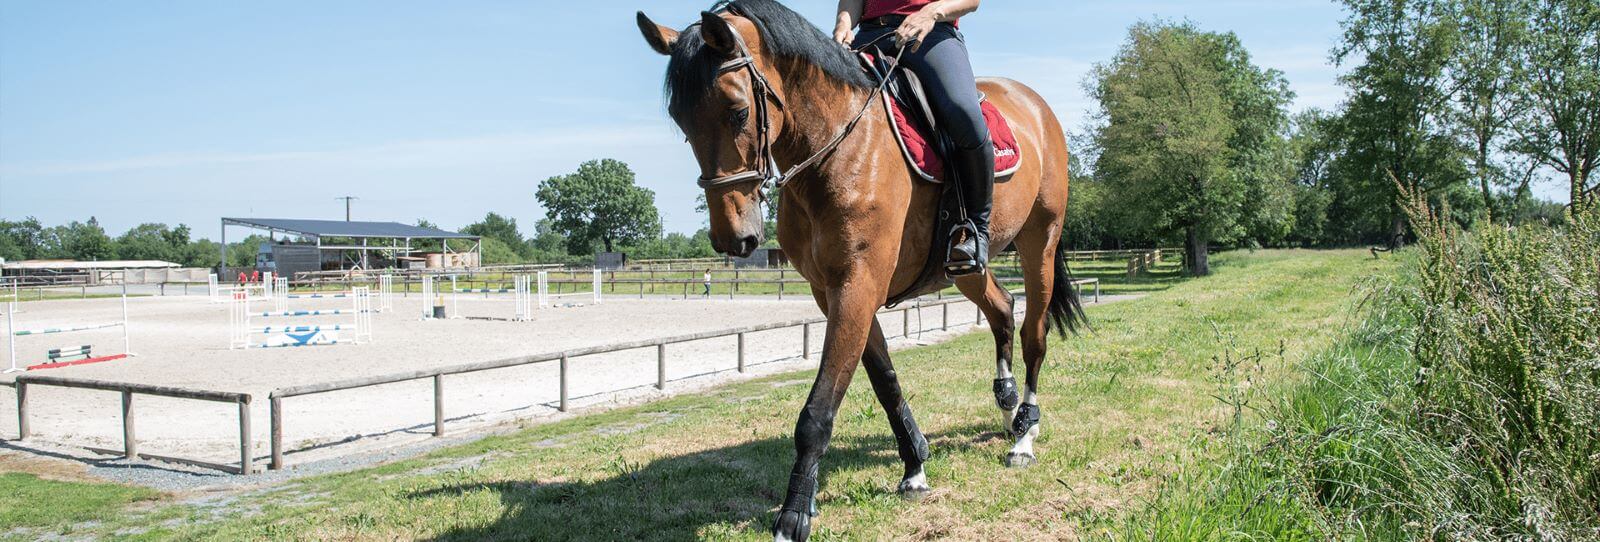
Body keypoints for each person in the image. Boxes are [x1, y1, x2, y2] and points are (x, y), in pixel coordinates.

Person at [835, 0, 990, 275]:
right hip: (870, 36)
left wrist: (930, 13)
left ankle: (976, 229)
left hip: (931, 34)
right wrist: (844, 25)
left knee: (963, 110)